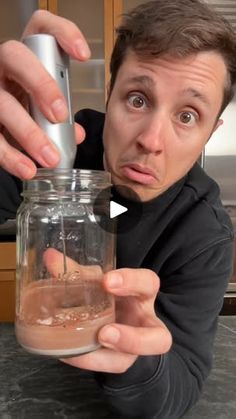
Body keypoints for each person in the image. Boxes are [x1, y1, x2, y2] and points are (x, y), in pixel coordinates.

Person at [0, 0, 235, 417]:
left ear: (210, 131)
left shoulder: (203, 232)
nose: (152, 141)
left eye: (187, 114)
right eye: (139, 100)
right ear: (110, 94)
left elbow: (183, 380)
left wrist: (133, 360)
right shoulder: (52, 148)